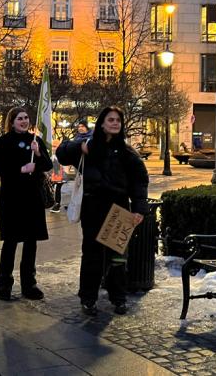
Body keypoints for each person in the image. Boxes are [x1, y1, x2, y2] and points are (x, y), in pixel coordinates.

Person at [56, 106, 148, 316]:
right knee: (92, 254)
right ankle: (88, 298)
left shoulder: (127, 153)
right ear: (102, 123)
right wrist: (81, 146)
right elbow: (62, 153)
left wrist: (139, 209)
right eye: (110, 120)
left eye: (118, 120)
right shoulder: (89, 146)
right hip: (93, 208)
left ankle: (119, 297)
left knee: (117, 257)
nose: (115, 123)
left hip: (119, 209)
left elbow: (139, 182)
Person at [0, 107, 53, 301]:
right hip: (12, 198)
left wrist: (39, 154)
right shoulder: (4, 141)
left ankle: (29, 283)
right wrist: (20, 169)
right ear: (12, 121)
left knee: (31, 242)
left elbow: (48, 166)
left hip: (32, 198)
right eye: (20, 118)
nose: (24, 121)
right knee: (10, 242)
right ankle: (4, 283)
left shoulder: (35, 140)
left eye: (26, 118)